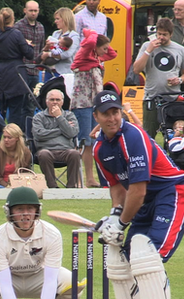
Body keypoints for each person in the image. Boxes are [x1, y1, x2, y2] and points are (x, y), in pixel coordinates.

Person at [91, 90, 184, 299]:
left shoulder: (133, 136)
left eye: (116, 111)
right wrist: (115, 215)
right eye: (107, 113)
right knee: (121, 263)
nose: (113, 118)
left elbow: (137, 188)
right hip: (141, 203)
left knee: (145, 255)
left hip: (171, 193)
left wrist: (122, 224)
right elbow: (117, 188)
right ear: (97, 117)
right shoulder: (99, 149)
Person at [71, 30, 117, 188]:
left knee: (95, 139)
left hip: (94, 103)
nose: (106, 51)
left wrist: (103, 44)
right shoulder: (84, 53)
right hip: (82, 103)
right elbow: (90, 42)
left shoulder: (97, 55)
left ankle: (94, 178)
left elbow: (113, 55)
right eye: (103, 48)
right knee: (84, 141)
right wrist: (92, 34)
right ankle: (83, 178)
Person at [133, 18, 184, 138]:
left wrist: (179, 80)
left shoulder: (180, 50)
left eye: (165, 34)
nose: (161, 37)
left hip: (173, 98)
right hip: (152, 97)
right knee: (149, 134)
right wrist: (149, 50)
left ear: (171, 34)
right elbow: (136, 69)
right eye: (159, 34)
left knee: (173, 135)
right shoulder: (147, 46)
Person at [0, 7, 35, 131]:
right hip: (15, 75)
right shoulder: (16, 34)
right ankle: (14, 139)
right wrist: (28, 45)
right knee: (16, 112)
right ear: (13, 19)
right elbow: (29, 54)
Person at [32, 89, 81, 188]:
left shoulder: (69, 115)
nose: (55, 102)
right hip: (46, 150)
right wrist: (61, 129)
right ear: (46, 101)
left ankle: (71, 187)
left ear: (62, 102)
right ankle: (52, 187)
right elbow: (39, 135)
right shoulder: (39, 117)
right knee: (44, 154)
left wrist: (59, 117)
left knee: (75, 153)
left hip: (66, 150)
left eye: (58, 100)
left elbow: (72, 133)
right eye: (52, 99)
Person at [13, 1, 46, 119]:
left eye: (35, 11)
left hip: (35, 70)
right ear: (25, 10)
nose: (33, 13)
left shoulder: (41, 27)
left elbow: (42, 49)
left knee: (32, 103)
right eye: (31, 10)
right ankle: (18, 132)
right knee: (21, 103)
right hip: (22, 69)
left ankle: (29, 132)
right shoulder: (18, 27)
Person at [40, 8, 80, 77]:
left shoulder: (74, 36)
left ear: (65, 19)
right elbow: (45, 52)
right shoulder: (55, 33)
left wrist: (48, 54)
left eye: (57, 19)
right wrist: (46, 47)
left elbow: (67, 54)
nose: (55, 21)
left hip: (63, 73)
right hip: (49, 70)